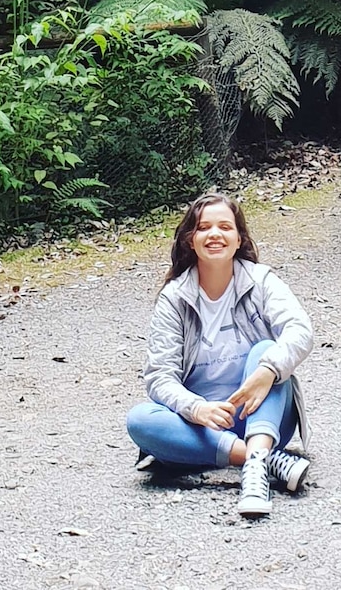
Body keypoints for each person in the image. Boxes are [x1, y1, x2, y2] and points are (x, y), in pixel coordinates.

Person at [126, 192, 314, 518]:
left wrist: (268, 371)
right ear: (190, 240)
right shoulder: (175, 298)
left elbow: (301, 331)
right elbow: (159, 376)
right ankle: (261, 460)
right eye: (204, 228)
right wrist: (196, 408)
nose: (215, 234)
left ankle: (255, 476)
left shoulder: (261, 280)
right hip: (202, 429)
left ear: (239, 239)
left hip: (264, 418)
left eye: (225, 227)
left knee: (267, 350)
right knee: (140, 421)